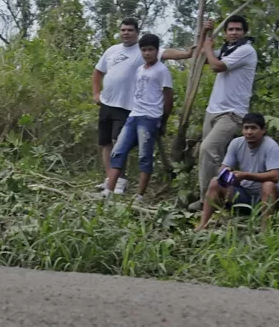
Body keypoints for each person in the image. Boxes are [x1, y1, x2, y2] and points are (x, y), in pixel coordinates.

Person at [93, 18, 189, 194]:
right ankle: (109, 182)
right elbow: (98, 71)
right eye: (123, 30)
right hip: (108, 103)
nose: (126, 33)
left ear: (137, 32)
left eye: (130, 30)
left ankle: (126, 185)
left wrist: (188, 53)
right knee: (106, 143)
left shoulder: (149, 57)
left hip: (129, 108)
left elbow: (168, 55)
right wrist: (96, 93)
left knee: (125, 145)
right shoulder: (113, 51)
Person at [189, 16, 258, 211]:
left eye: (238, 29)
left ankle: (224, 197)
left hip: (232, 112)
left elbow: (216, 66)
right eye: (230, 29)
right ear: (226, 33)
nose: (234, 32)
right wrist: (204, 33)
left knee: (208, 150)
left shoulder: (246, 51)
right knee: (209, 156)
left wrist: (210, 48)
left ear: (244, 32)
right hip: (213, 110)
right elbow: (201, 56)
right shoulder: (228, 50)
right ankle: (209, 199)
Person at [102, 34, 173, 203]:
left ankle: (140, 195)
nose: (147, 53)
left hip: (150, 117)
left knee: (144, 155)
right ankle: (109, 190)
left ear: (157, 50)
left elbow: (168, 97)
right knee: (118, 150)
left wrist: (163, 121)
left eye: (151, 50)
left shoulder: (162, 71)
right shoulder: (140, 69)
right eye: (144, 50)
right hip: (134, 114)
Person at [195, 112, 279, 231]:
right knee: (215, 182)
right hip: (245, 197)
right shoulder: (236, 143)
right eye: (246, 128)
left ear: (263, 130)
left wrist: (245, 175)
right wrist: (228, 174)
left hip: (271, 198)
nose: (249, 132)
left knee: (268, 185)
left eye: (253, 128)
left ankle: (265, 229)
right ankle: (202, 225)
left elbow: (275, 176)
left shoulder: (270, 146)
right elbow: (224, 167)